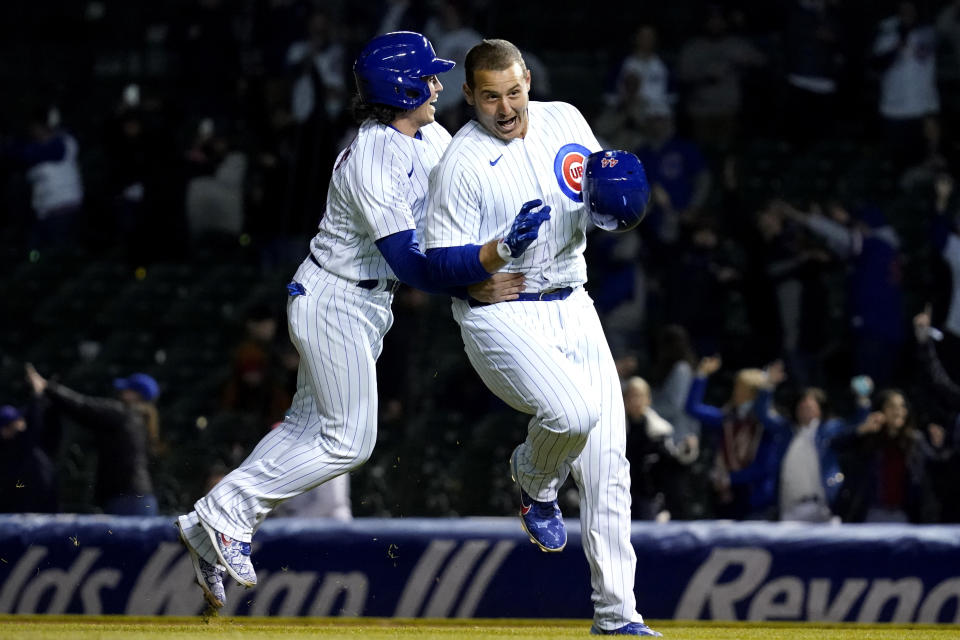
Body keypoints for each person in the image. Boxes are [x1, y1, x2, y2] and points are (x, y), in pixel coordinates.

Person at [173, 31, 546, 611]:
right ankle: (224, 515)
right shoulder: (372, 153)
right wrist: (477, 273)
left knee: (304, 429)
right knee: (350, 440)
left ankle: (207, 527)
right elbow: (411, 262)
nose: (439, 84)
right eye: (428, 76)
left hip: (363, 302)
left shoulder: (430, 136)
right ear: (400, 88)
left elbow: (476, 182)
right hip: (337, 297)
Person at [422, 38, 660, 636]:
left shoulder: (566, 119)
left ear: (528, 78)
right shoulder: (462, 163)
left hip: (573, 301)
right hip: (503, 312)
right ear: (471, 97)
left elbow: (599, 203)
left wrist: (617, 204)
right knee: (572, 414)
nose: (506, 107)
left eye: (514, 90)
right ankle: (533, 480)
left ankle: (617, 617)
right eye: (490, 97)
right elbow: (435, 264)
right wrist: (485, 266)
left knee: (610, 463)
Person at [24, 364, 161, 515]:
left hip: (126, 499)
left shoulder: (122, 414)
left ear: (136, 395)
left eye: (126, 390)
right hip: (140, 498)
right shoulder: (141, 422)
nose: (121, 392)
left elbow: (83, 406)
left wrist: (47, 387)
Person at [753, 365, 871, 522]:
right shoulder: (786, 431)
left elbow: (858, 426)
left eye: (810, 406)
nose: (805, 409)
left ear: (820, 409)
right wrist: (768, 385)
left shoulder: (830, 429)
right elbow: (763, 414)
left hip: (823, 507)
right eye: (802, 406)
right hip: (789, 508)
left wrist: (862, 398)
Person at [0, 404, 58, 513]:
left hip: (39, 498)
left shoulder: (28, 442)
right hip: (19, 501)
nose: (20, 424)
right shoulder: (12, 446)